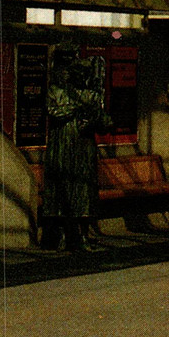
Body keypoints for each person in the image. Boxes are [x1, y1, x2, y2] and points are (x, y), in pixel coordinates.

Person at [40, 47, 107, 251]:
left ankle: (82, 236)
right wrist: (77, 108)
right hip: (62, 148)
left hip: (83, 149)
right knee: (61, 191)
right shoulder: (55, 91)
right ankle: (58, 235)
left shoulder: (91, 95)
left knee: (84, 192)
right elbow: (53, 111)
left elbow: (104, 121)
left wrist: (94, 120)